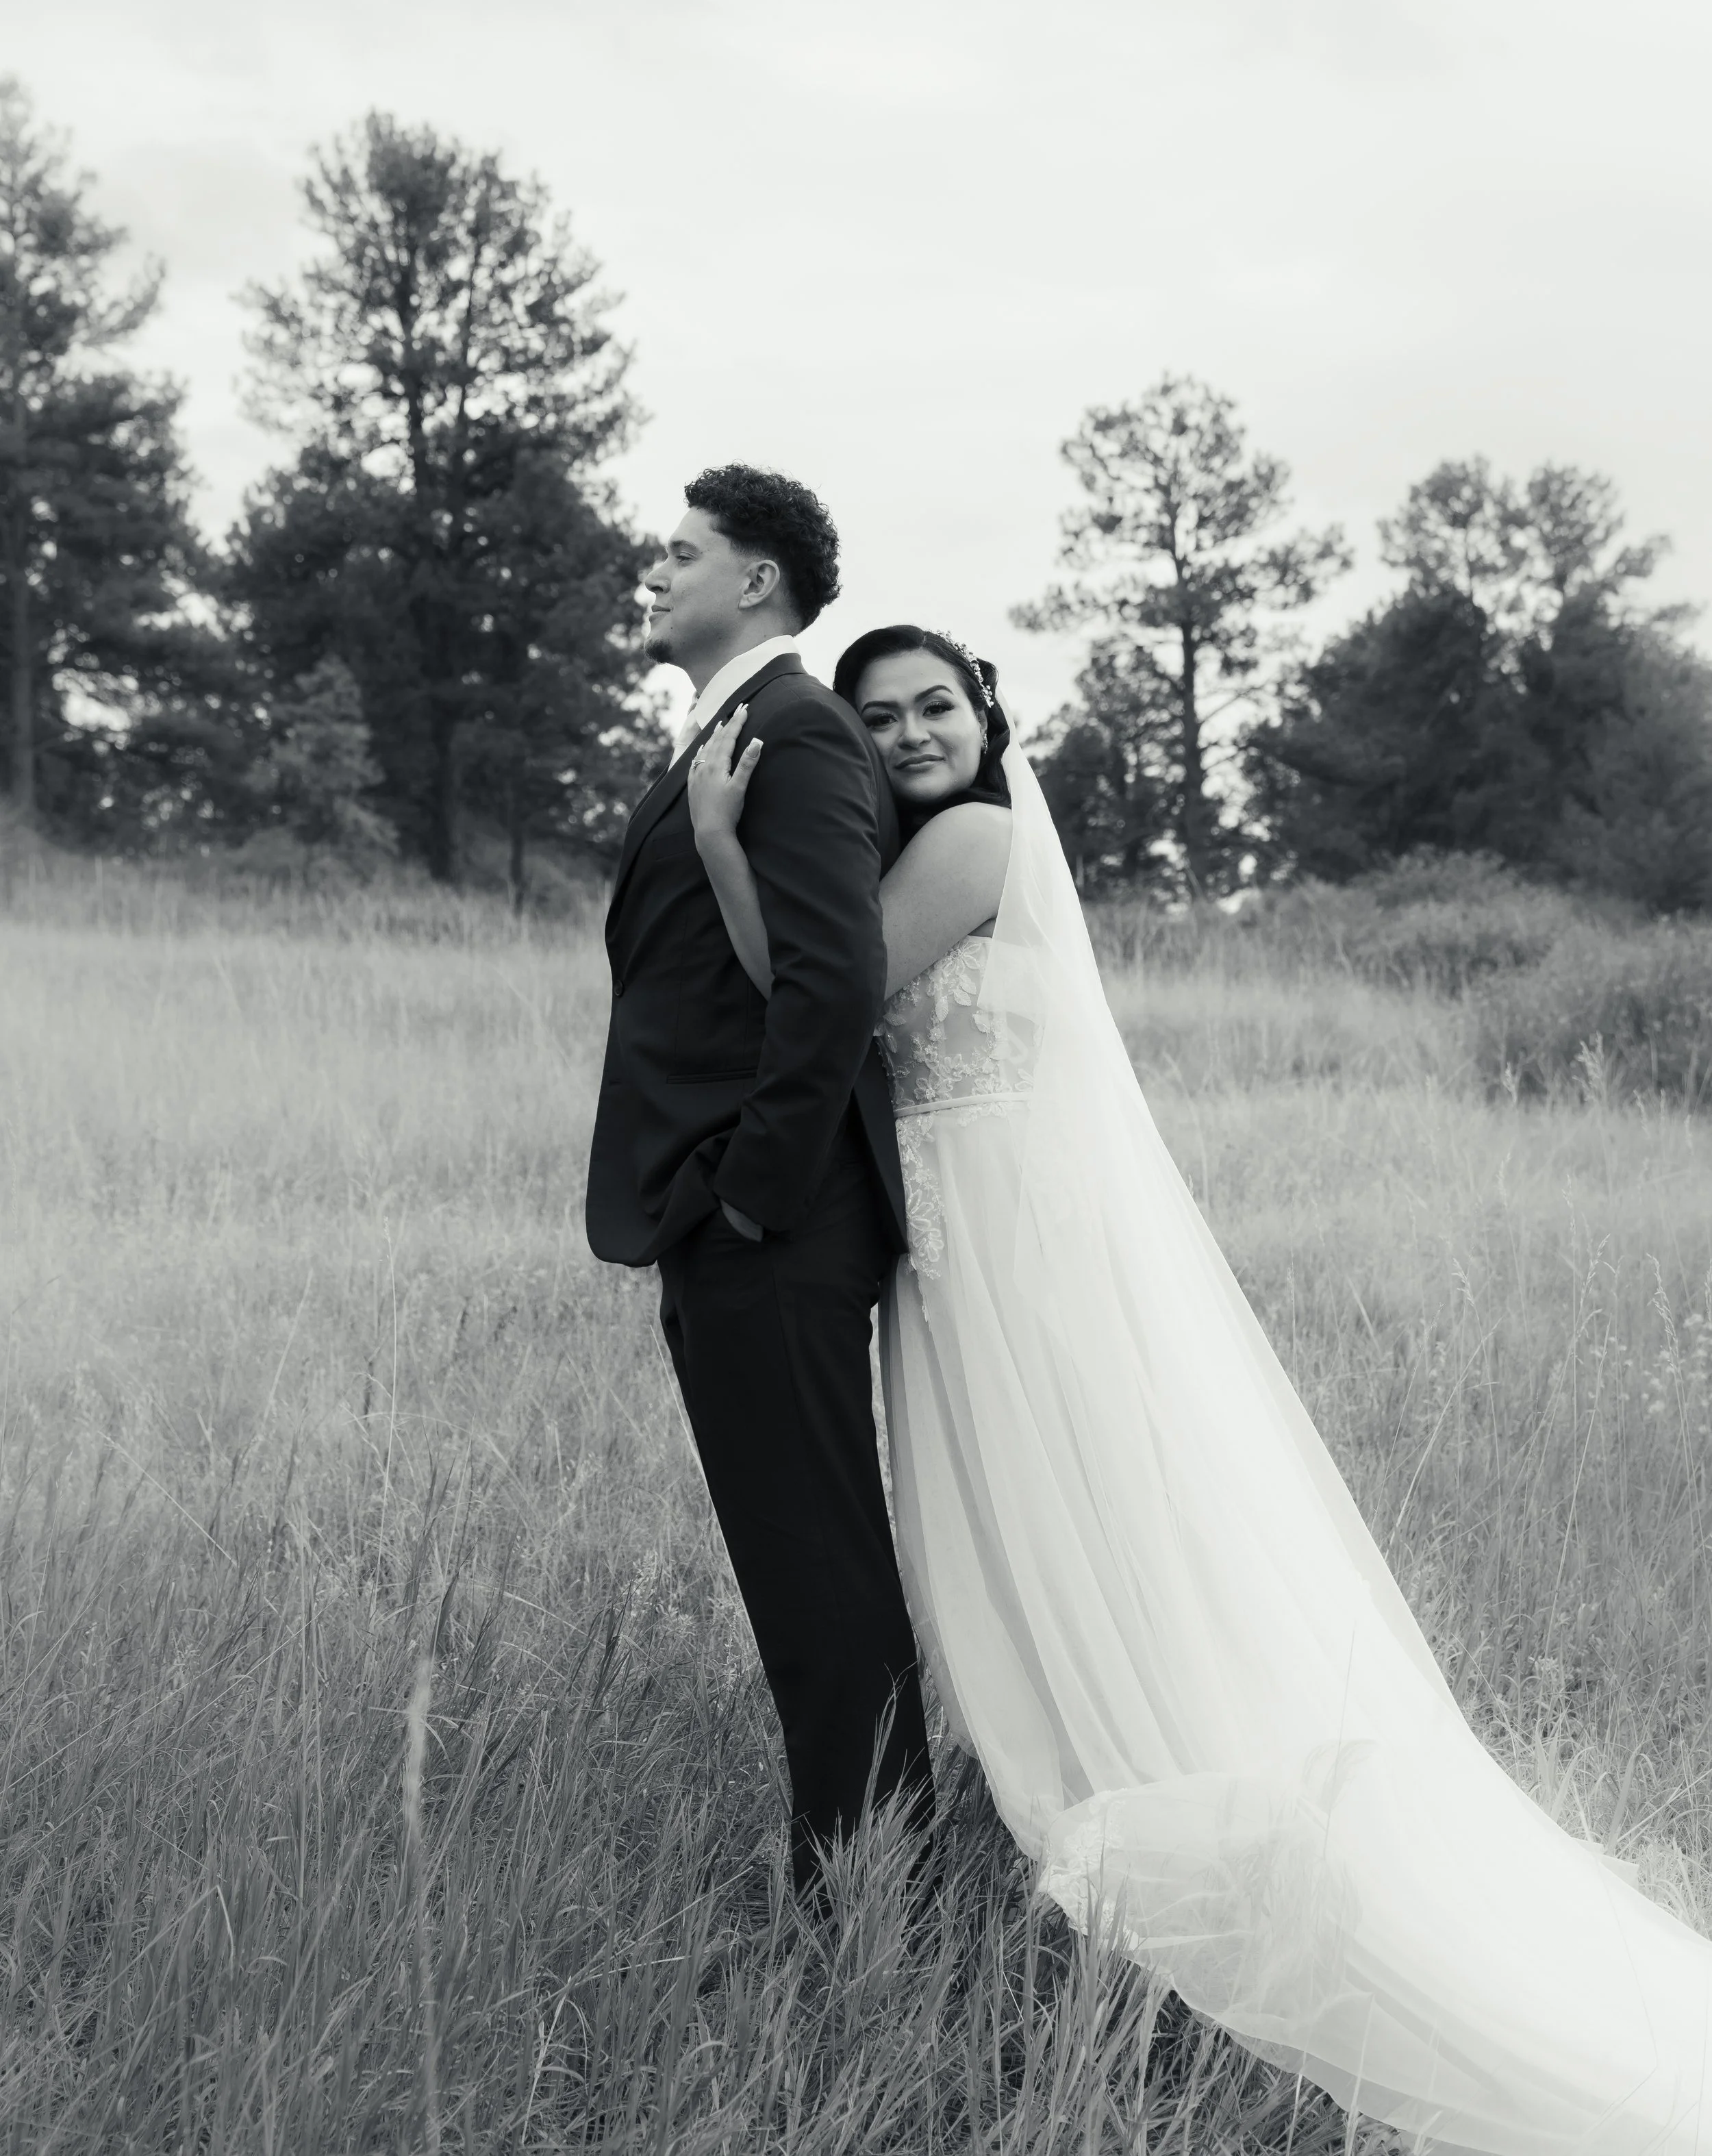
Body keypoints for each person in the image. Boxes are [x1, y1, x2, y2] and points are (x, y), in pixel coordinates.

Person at [688, 617, 1712, 2156]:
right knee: (1045, 1526)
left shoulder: (967, 840)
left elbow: (814, 1001)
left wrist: (717, 842)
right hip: (961, 1257)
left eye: (933, 707)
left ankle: (1169, 1794)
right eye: (879, 717)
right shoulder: (932, 845)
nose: (908, 736)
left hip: (1022, 1254)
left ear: (984, 715)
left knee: (1088, 1514)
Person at [583, 470, 932, 1898]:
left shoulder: (796, 731)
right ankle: (861, 1879)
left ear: (760, 582)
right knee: (798, 1574)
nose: (650, 576)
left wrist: (751, 1195)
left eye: (681, 555)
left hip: (770, 1225)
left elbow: (835, 978)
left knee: (818, 1579)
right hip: (726, 1219)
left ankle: (864, 1900)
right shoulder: (735, 733)